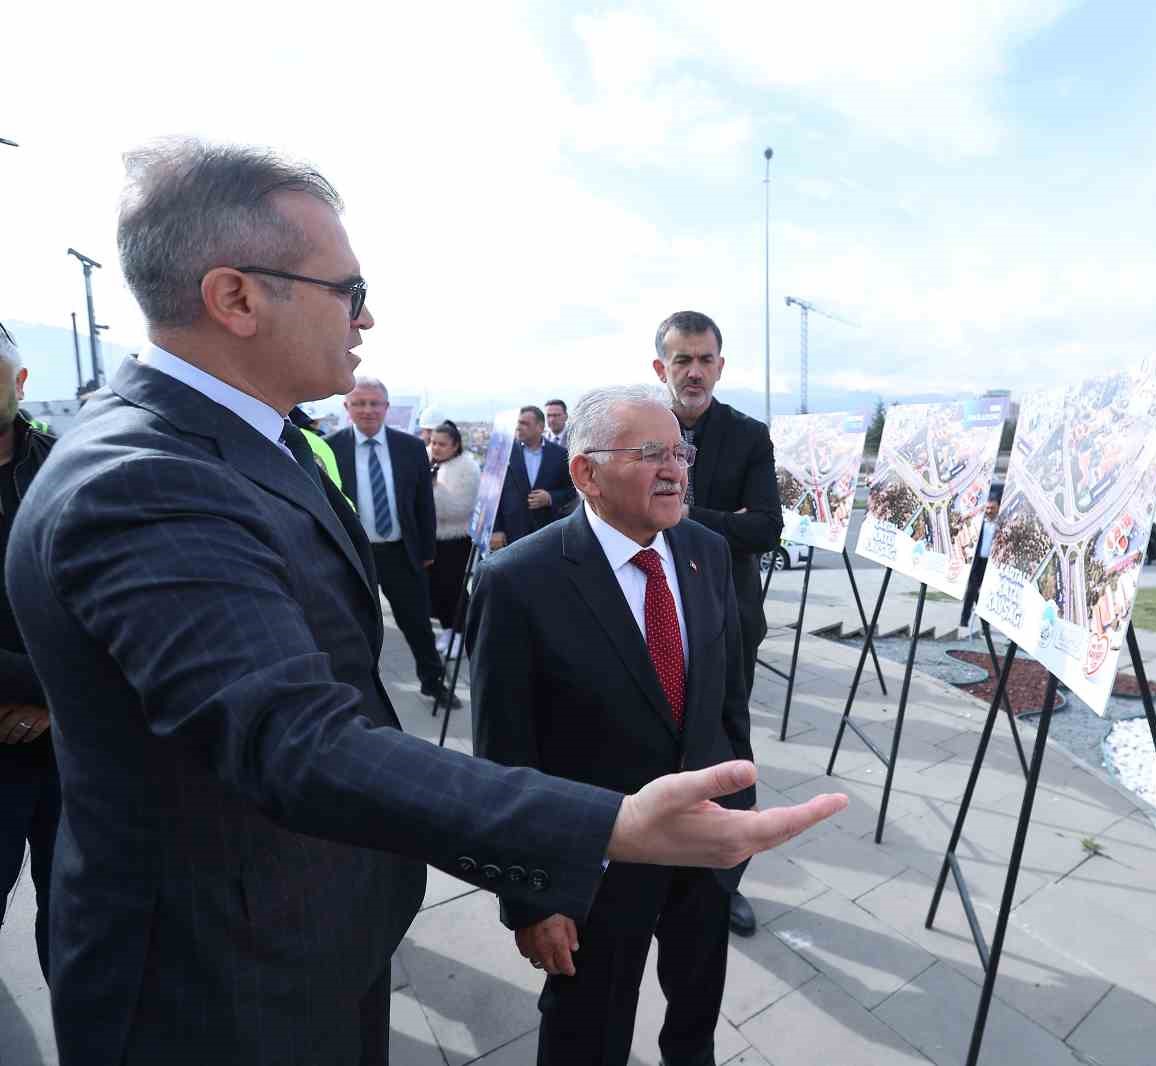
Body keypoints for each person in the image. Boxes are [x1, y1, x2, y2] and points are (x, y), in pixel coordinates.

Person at [4, 139, 845, 1066]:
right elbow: (299, 742)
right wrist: (603, 830)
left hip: (312, 940)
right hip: (221, 986)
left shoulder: (253, 444)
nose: (368, 319)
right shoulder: (144, 480)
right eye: (348, 292)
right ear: (234, 297)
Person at [471, 384, 754, 1066]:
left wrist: (740, 809)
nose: (676, 470)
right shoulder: (517, 582)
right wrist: (531, 900)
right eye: (651, 452)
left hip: (706, 850)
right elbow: (504, 758)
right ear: (585, 473)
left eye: (679, 452)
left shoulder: (705, 552)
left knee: (696, 1020)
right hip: (595, 868)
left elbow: (728, 699)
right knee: (586, 1033)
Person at [652, 311, 781, 938]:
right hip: (650, 609)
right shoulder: (638, 430)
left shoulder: (749, 436)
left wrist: (674, 512)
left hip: (729, 615)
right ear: (661, 368)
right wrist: (718, 519)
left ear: (721, 366)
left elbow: (765, 528)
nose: (694, 371)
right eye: (682, 360)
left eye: (705, 359)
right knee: (655, 734)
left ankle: (725, 878)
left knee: (727, 741)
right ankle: (654, 853)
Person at [329, 377, 456, 708]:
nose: (367, 410)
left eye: (374, 403)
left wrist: (428, 551)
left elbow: (423, 504)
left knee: (416, 622)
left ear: (386, 408)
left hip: (402, 553)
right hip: (356, 555)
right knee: (354, 628)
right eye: (359, 403)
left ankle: (433, 683)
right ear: (347, 408)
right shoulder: (331, 448)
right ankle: (357, 695)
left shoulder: (411, 447)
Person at [0, 321, 59, 984]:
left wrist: (52, 702)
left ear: (19, 382)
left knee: (72, 916)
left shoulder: (67, 470)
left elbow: (107, 608)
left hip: (67, 742)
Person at [428, 419, 480, 655]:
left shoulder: (466, 468)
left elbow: (460, 508)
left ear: (455, 445)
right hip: (432, 537)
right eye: (433, 442)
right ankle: (449, 629)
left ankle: (462, 633)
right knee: (437, 588)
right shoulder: (428, 461)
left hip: (456, 538)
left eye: (442, 444)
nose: (435, 448)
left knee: (454, 588)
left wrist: (434, 490)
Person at [491, 404, 575, 548]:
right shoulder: (503, 453)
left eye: (524, 423)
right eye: (518, 423)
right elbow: (492, 493)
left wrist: (550, 498)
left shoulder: (560, 454)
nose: (518, 427)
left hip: (547, 533)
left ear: (540, 427)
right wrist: (496, 529)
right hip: (511, 535)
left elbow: (571, 490)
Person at [961, 488, 1001, 635]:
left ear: (997, 508)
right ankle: (966, 621)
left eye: (992, 508)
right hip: (978, 561)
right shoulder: (980, 522)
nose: (989, 510)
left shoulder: (999, 525)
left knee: (985, 593)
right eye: (987, 508)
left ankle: (985, 625)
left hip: (989, 563)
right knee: (972, 590)